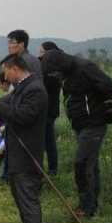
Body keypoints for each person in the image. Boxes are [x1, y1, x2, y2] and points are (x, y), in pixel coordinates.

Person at [41, 49, 112, 217]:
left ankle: (87, 208)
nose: (55, 75)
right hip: (81, 125)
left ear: (61, 64)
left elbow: (110, 86)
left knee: (81, 164)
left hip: (94, 124)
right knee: (91, 165)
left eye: (56, 72)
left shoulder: (85, 68)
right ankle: (91, 204)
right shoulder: (66, 73)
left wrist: (102, 112)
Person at [0, 54, 48, 223]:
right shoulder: (21, 88)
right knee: (19, 196)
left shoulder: (35, 90)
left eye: (5, 71)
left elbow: (24, 117)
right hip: (16, 153)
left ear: (14, 69)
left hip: (28, 154)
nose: (4, 75)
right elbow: (4, 107)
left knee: (28, 198)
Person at [38, 42, 62, 175]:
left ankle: (51, 170)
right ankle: (51, 170)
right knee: (48, 141)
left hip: (48, 110)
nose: (39, 55)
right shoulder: (53, 67)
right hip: (49, 110)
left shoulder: (51, 70)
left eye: (41, 52)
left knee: (48, 141)